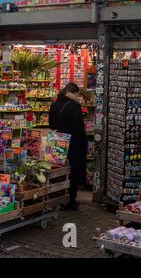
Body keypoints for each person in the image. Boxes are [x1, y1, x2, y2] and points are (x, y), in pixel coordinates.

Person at [49, 82, 88, 211]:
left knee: (58, 169)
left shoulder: (55, 104)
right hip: (73, 144)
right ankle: (70, 200)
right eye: (78, 95)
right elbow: (79, 129)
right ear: (75, 93)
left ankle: (56, 197)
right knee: (73, 171)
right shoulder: (75, 106)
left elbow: (52, 124)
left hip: (57, 142)